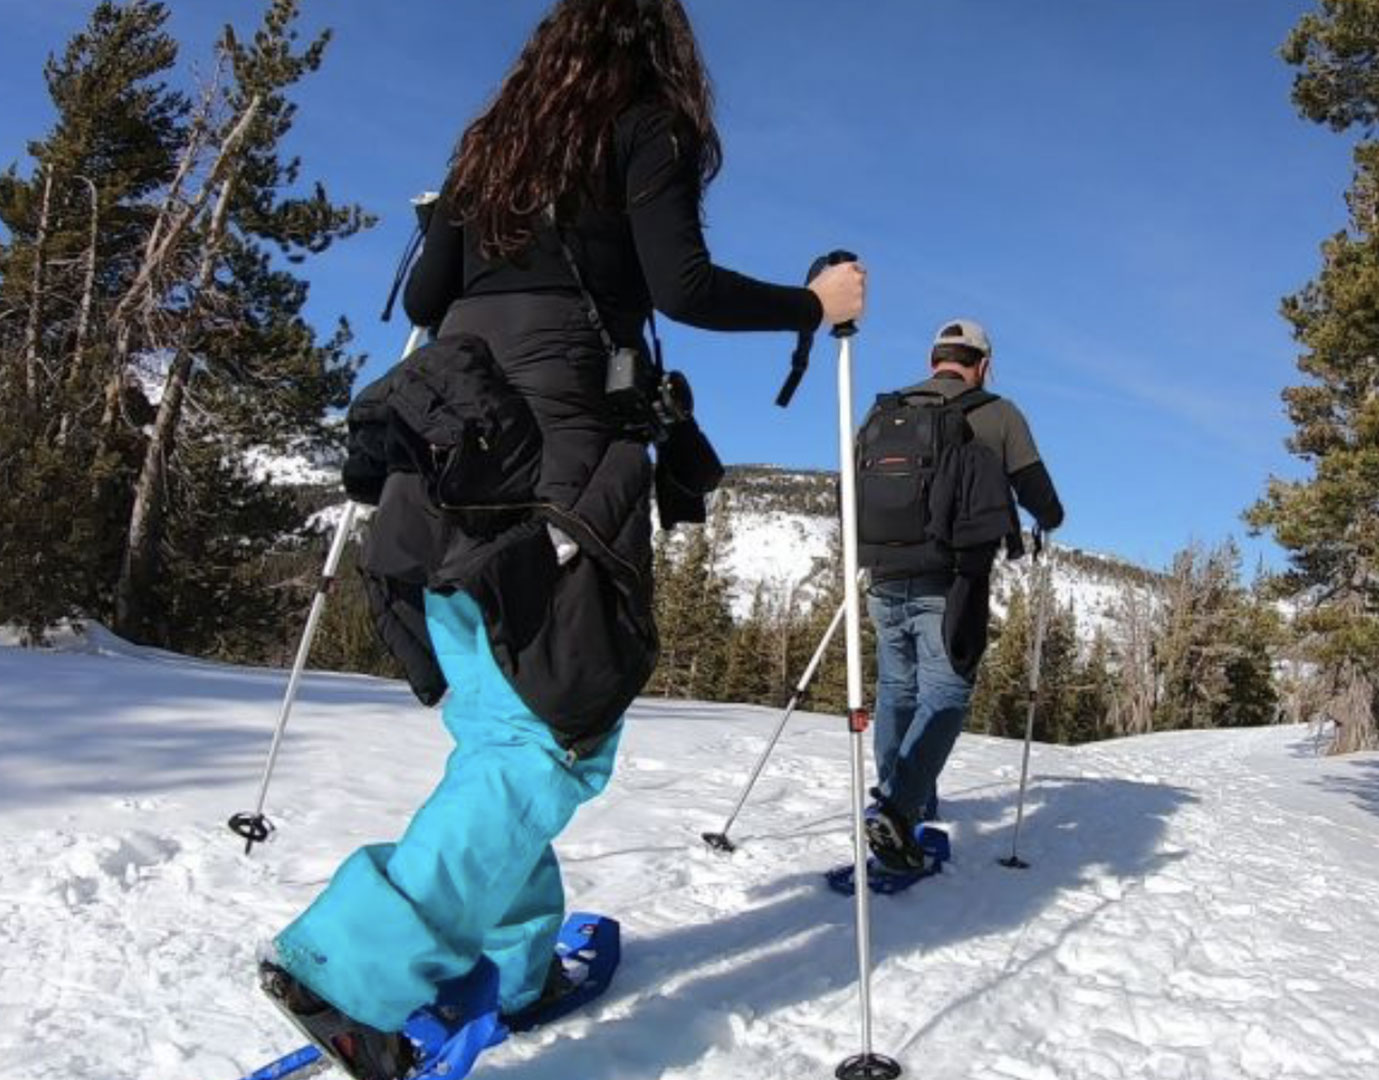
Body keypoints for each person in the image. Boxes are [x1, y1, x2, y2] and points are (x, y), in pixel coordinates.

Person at [259, 2, 865, 1076]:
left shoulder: (493, 143)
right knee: (552, 731)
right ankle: (349, 976)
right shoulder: (646, 122)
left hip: (438, 430)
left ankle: (518, 963)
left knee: (503, 724)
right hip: (554, 452)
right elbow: (681, 286)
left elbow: (430, 290)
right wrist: (810, 305)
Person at [858, 318, 1063, 874]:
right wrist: (1048, 520)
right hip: (949, 579)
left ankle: (898, 800)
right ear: (983, 365)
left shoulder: (886, 412)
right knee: (947, 693)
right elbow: (1040, 495)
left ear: (933, 361)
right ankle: (898, 811)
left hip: (881, 574)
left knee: (897, 690)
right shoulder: (996, 412)